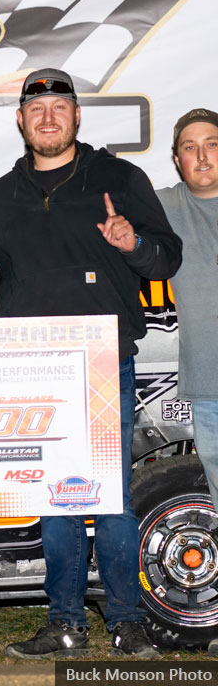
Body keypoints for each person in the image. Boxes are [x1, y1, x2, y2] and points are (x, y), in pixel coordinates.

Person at [0, 69, 181, 659]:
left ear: (77, 116)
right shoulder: (0, 194)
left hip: (101, 360)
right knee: (56, 499)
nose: (48, 117)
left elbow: (165, 259)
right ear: (21, 120)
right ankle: (65, 623)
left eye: (59, 106)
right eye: (36, 107)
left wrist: (132, 244)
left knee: (111, 497)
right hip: (32, 363)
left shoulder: (119, 177)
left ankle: (128, 622)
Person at [154, 107, 218, 656]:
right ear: (177, 159)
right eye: (190, 147)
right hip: (210, 383)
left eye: (213, 144)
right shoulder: (164, 206)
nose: (202, 156)